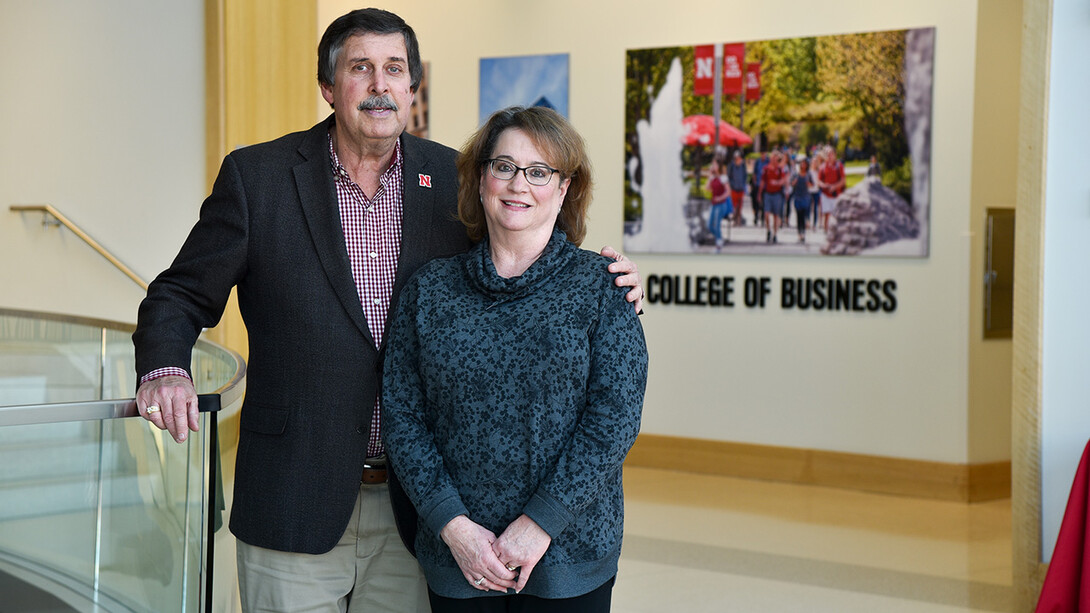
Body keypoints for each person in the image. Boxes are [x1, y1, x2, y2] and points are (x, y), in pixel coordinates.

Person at [131, 9, 643, 613]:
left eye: (394, 68)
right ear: (328, 87)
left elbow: (521, 261)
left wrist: (609, 280)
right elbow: (180, 292)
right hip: (297, 495)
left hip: (420, 513)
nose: (380, 84)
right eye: (360, 68)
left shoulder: (451, 179)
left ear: (412, 87)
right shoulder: (259, 179)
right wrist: (165, 366)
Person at [382, 106, 648, 613]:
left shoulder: (602, 288)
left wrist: (541, 522)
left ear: (564, 188)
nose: (517, 184)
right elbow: (403, 418)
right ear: (481, 178)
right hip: (459, 555)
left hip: (569, 554)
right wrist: (454, 527)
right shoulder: (430, 290)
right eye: (503, 166)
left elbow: (613, 421)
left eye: (539, 172)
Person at [817, 146, 846, 232]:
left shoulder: (839, 166)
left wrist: (834, 187)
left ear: (835, 155)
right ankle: (827, 235)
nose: (829, 156)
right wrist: (824, 185)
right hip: (826, 194)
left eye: (831, 154)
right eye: (827, 154)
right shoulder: (822, 167)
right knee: (827, 214)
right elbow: (818, 181)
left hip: (836, 194)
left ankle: (836, 233)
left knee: (836, 215)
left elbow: (843, 181)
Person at [706, 158, 732, 251]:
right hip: (713, 204)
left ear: (719, 166)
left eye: (715, 165)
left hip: (721, 204)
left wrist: (720, 198)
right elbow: (707, 188)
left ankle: (718, 246)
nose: (713, 166)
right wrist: (710, 175)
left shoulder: (723, 177)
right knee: (709, 225)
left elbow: (728, 192)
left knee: (716, 225)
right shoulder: (712, 178)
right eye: (712, 165)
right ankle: (719, 238)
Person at [760, 151, 786, 243]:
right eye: (773, 157)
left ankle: (775, 234)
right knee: (766, 214)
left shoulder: (779, 169)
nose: (774, 159)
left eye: (776, 157)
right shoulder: (766, 168)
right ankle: (768, 230)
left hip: (777, 194)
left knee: (776, 215)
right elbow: (763, 181)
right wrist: (759, 193)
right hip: (767, 193)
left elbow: (783, 180)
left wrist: (777, 183)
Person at [791, 157, 812, 243]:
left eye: (804, 164)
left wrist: (808, 183)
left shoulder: (808, 175)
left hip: (805, 197)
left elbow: (812, 185)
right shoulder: (796, 174)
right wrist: (794, 182)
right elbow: (791, 184)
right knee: (798, 216)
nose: (803, 165)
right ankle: (799, 233)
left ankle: (803, 232)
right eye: (801, 164)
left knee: (803, 216)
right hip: (797, 197)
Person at [726, 149, 747, 225]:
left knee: (740, 206)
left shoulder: (743, 165)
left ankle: (738, 221)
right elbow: (728, 176)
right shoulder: (731, 165)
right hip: (734, 188)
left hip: (741, 188)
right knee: (734, 206)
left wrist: (744, 186)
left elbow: (745, 176)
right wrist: (731, 185)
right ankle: (735, 220)